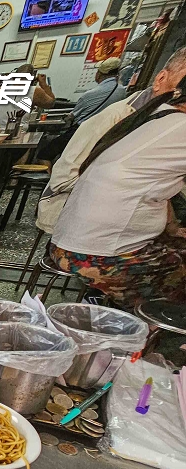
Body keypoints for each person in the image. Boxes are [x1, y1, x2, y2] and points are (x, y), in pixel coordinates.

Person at [48, 76, 186, 309]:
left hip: (70, 243)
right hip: (95, 255)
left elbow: (154, 186)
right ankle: (140, 324)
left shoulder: (153, 116)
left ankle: (112, 308)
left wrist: (172, 227)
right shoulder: (177, 125)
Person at [38, 46, 186, 234]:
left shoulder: (164, 122)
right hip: (77, 220)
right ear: (161, 79)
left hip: (120, 226)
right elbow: (63, 178)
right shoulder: (119, 115)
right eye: (182, 90)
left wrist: (169, 224)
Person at [71, 57, 127, 124]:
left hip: (83, 130)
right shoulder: (122, 91)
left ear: (99, 74)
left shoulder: (89, 95)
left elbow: (73, 116)